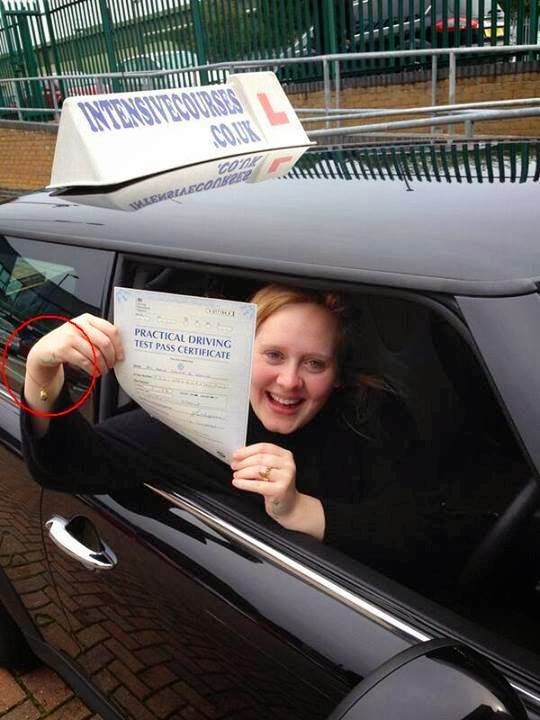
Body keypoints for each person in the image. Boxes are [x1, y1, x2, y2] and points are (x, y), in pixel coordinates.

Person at [20, 283, 472, 594]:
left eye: (314, 363)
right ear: (240, 354)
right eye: (273, 355)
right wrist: (41, 370)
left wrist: (300, 509)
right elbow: (64, 464)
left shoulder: (371, 418)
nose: (289, 381)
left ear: (338, 374)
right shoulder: (196, 417)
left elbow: (432, 542)